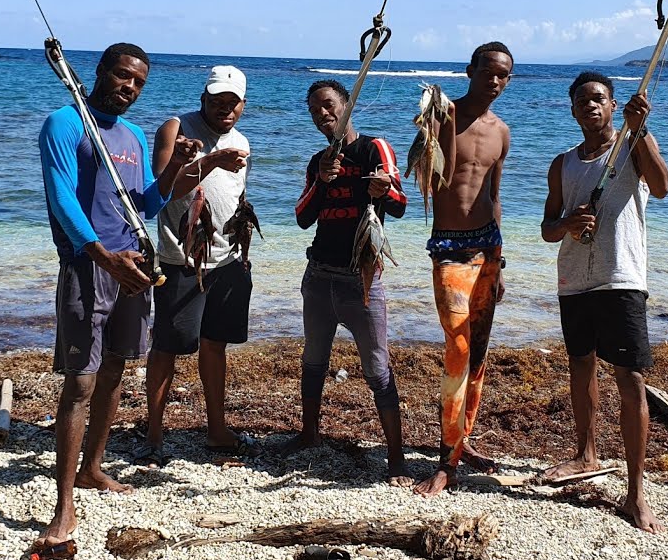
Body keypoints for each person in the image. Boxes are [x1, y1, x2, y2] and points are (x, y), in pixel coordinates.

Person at [36, 42, 199, 548]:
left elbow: (148, 202)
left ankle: (93, 468)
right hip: (90, 266)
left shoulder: (128, 134)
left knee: (114, 373)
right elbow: (62, 197)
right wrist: (103, 257)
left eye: (139, 82)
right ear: (102, 71)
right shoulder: (64, 123)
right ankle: (64, 503)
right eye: (123, 76)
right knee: (80, 383)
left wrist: (184, 169)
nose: (129, 87)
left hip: (134, 267)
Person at [539, 70, 668, 533]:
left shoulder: (632, 145)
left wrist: (642, 130)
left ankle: (636, 493)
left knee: (629, 377)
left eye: (600, 99)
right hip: (574, 280)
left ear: (615, 106)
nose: (591, 106)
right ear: (573, 111)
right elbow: (547, 228)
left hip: (621, 277)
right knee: (580, 366)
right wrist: (568, 225)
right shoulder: (563, 163)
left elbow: (661, 186)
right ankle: (585, 454)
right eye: (583, 102)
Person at [279, 78, 412, 486]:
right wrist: (322, 179)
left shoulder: (375, 148)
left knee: (377, 368)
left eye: (329, 105)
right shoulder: (318, 161)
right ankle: (308, 434)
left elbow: (401, 205)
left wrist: (382, 189)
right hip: (318, 277)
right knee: (313, 360)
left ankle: (395, 458)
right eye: (315, 109)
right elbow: (303, 217)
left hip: (361, 283)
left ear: (347, 105)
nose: (323, 114)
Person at [139, 65, 255, 466]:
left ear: (242, 104)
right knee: (166, 348)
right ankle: (154, 435)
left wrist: (244, 249)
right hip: (179, 260)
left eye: (232, 102)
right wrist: (210, 161)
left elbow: (237, 198)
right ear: (203, 98)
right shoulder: (176, 128)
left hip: (228, 261)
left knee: (215, 345)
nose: (225, 108)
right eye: (217, 100)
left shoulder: (241, 141)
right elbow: (163, 190)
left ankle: (217, 430)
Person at [414, 41, 512, 498]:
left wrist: (501, 259)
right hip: (450, 249)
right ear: (470, 70)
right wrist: (434, 123)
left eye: (504, 75)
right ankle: (445, 461)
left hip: (487, 249)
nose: (495, 81)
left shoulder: (502, 132)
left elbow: (493, 196)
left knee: (478, 356)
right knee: (456, 350)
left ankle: (461, 440)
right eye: (488, 71)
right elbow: (433, 177)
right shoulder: (442, 115)